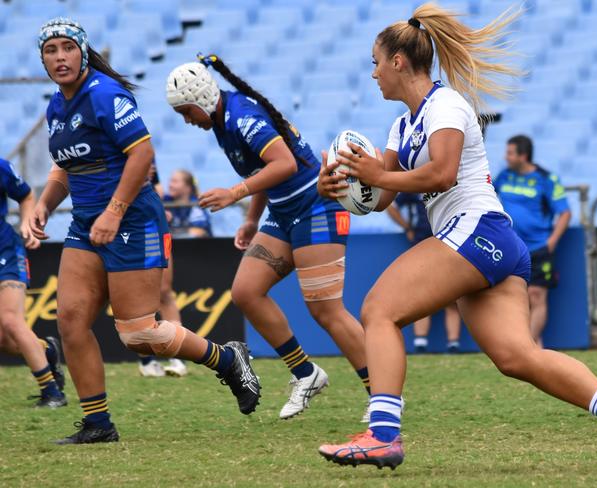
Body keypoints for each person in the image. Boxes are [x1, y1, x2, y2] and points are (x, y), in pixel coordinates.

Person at [316, 3, 597, 474]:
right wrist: (343, 188)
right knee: (517, 357)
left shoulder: (445, 104)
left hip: (474, 230)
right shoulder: (401, 125)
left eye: (374, 62)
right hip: (487, 241)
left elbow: (443, 173)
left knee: (377, 310)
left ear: (397, 61)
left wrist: (373, 173)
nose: (372, 75)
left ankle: (383, 435)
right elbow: (384, 194)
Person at [31, 18, 261, 444]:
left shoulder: (103, 93)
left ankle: (227, 359)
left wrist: (114, 212)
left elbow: (142, 154)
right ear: (42, 58)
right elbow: (66, 166)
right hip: (87, 223)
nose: (59, 57)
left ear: (82, 51)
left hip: (130, 220)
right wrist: (44, 205)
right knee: (70, 321)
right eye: (50, 50)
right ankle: (98, 424)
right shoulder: (56, 106)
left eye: (67, 47)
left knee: (138, 334)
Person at [166, 55, 370, 419]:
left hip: (315, 206)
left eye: (186, 111)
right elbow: (266, 169)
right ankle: (307, 374)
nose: (186, 120)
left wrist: (235, 193)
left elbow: (284, 164)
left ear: (202, 100)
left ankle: (382, 394)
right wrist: (251, 218)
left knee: (326, 310)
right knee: (246, 292)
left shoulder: (242, 117)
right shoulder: (221, 120)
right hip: (283, 212)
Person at [0, 157, 66, 407]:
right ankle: (46, 350)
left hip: (5, 250)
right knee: (4, 342)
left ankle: (52, 393)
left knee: (10, 320)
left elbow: (26, 196)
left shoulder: (1, 167)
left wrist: (28, 223)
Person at [494, 135, 571, 346]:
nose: (506, 157)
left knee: (536, 296)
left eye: (510, 153)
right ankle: (533, 348)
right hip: (511, 247)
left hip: (538, 248)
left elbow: (564, 213)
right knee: (516, 297)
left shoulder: (546, 179)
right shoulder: (503, 177)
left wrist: (552, 242)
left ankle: (526, 345)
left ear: (523, 156)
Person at [137, 165, 198, 377]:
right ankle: (146, 361)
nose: (151, 168)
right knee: (134, 297)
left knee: (163, 292)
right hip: (124, 228)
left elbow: (156, 187)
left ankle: (177, 356)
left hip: (152, 227)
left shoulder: (140, 144)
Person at [386, 192, 461, 353]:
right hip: (421, 246)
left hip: (448, 245)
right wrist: (406, 227)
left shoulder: (450, 184)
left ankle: (453, 343)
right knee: (421, 295)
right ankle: (420, 342)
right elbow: (390, 205)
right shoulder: (416, 187)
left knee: (452, 297)